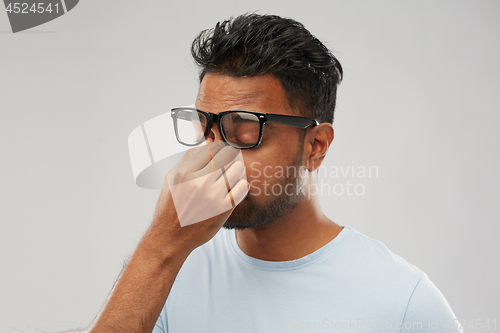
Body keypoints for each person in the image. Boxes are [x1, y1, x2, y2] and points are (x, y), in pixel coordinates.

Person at [86, 14, 462, 333]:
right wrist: (161, 245)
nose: (215, 157)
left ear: (315, 146)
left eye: (246, 131)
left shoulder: (403, 303)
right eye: (206, 128)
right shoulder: (171, 270)